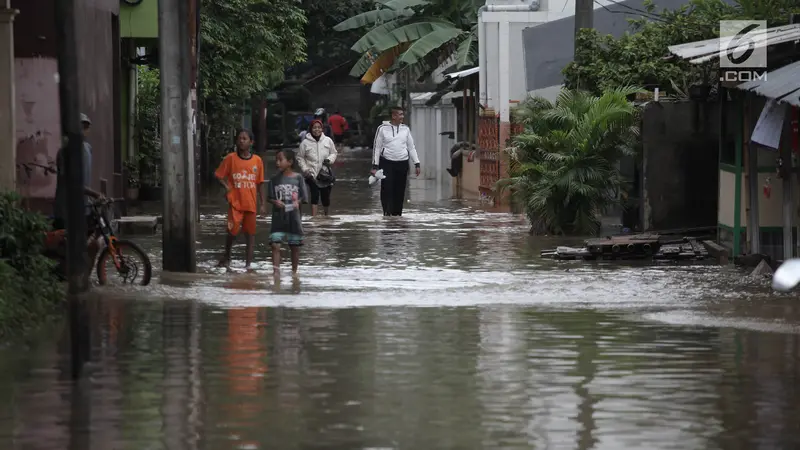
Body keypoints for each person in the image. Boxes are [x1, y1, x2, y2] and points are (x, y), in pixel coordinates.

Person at [52, 113, 104, 285]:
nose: (83, 130)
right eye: (80, 126)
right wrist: (95, 194)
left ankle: (84, 279)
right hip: (66, 209)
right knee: (70, 248)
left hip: (84, 207)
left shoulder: (87, 149)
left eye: (85, 126)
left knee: (93, 244)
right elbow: (72, 184)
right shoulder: (65, 152)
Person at [215, 129, 266, 271]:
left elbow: (260, 183)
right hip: (235, 203)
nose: (241, 141)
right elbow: (218, 175)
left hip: (250, 203)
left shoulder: (257, 161)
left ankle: (248, 265)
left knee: (250, 235)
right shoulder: (230, 158)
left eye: (244, 138)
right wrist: (227, 188)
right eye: (239, 138)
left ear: (251, 142)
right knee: (232, 232)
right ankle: (227, 255)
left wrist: (262, 203)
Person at [370, 106, 421, 216]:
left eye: (403, 114)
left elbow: (411, 147)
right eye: (400, 114)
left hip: (402, 162)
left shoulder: (406, 129)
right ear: (393, 116)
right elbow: (377, 147)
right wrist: (375, 165)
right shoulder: (382, 129)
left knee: (400, 190)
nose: (402, 117)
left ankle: (397, 215)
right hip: (387, 162)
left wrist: (417, 163)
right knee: (387, 187)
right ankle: (387, 214)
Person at [268, 149, 306, 276]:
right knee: (275, 245)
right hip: (278, 217)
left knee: (294, 247)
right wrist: (275, 202)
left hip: (293, 218)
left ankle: (294, 273)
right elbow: (270, 197)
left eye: (280, 160)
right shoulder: (274, 179)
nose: (277, 163)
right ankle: (276, 272)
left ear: (290, 162)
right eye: (276, 160)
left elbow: (304, 197)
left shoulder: (298, 178)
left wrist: (297, 202)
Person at [297, 119, 338, 217]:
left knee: (326, 197)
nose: (317, 130)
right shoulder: (305, 143)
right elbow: (300, 157)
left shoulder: (328, 140)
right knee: (314, 195)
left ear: (322, 129)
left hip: (325, 173)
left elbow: (334, 153)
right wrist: (305, 169)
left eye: (319, 127)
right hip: (311, 174)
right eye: (314, 128)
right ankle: (314, 218)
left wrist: (329, 160)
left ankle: (326, 216)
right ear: (311, 129)